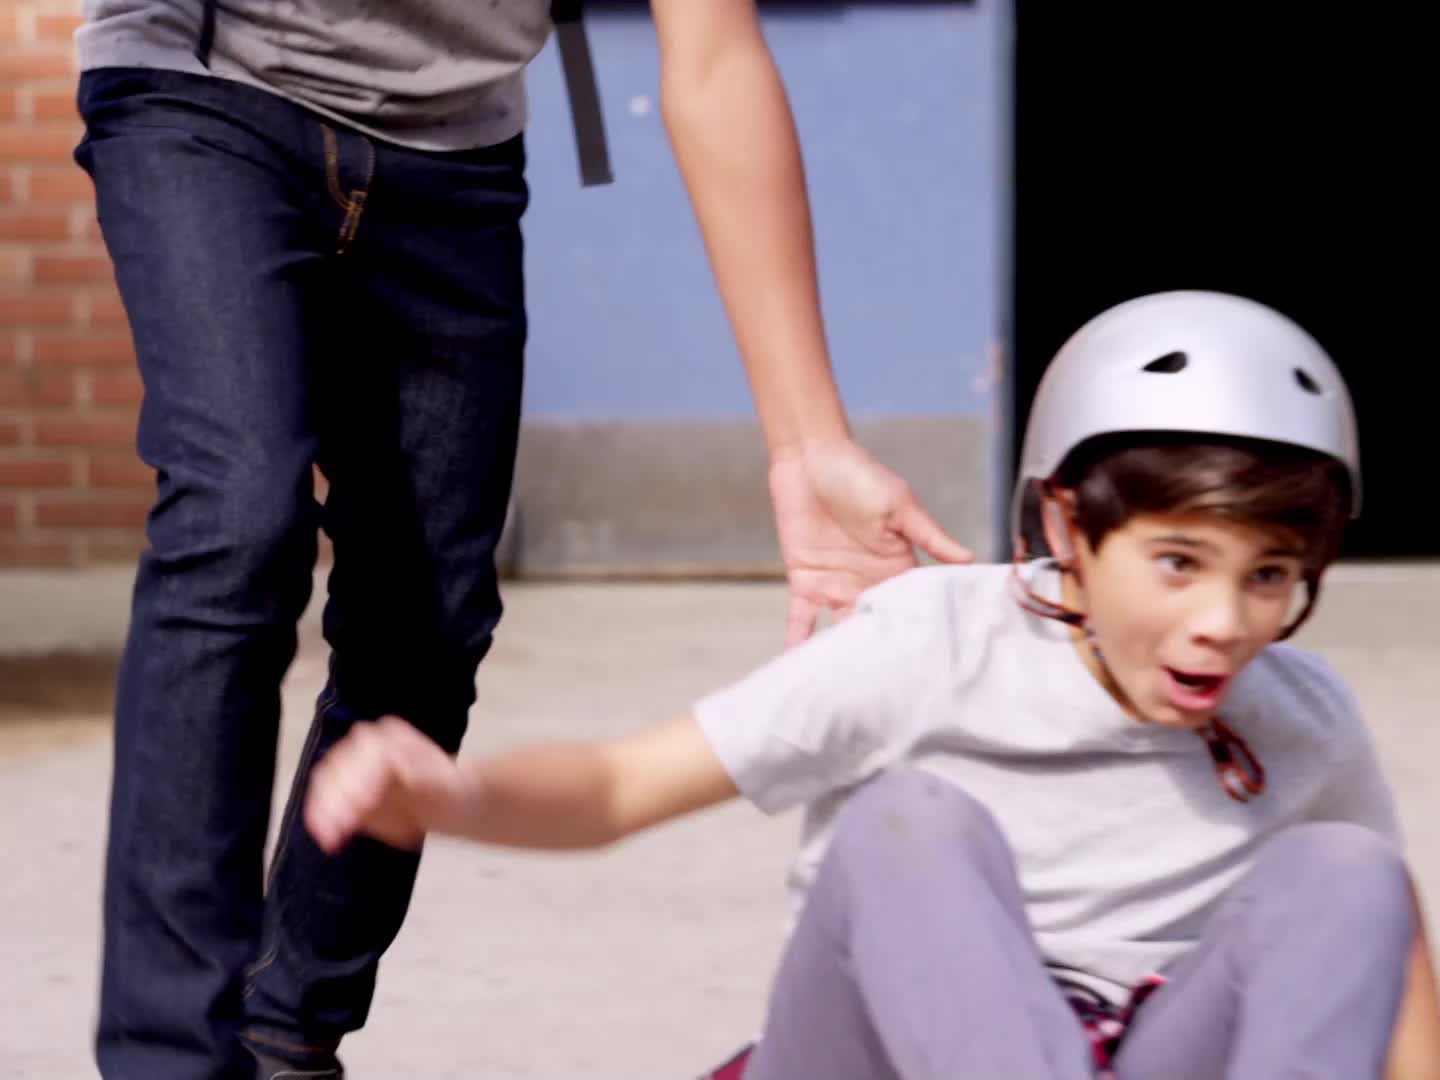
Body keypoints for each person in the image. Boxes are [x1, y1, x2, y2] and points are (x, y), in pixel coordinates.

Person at [74, 2, 972, 1077]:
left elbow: (714, 59)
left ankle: (287, 1035)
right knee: (238, 517)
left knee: (428, 622)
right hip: (207, 87)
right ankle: (171, 1062)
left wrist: (807, 444)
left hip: (450, 146)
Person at [306, 290, 1440, 1079]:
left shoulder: (1300, 718)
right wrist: (455, 797)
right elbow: (615, 787)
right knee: (912, 823)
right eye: (1179, 562)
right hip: (869, 1057)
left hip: (1142, 1046)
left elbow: (1384, 959)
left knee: (1351, 874)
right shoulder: (935, 642)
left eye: (1269, 576)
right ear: (1067, 527)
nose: (1223, 623)